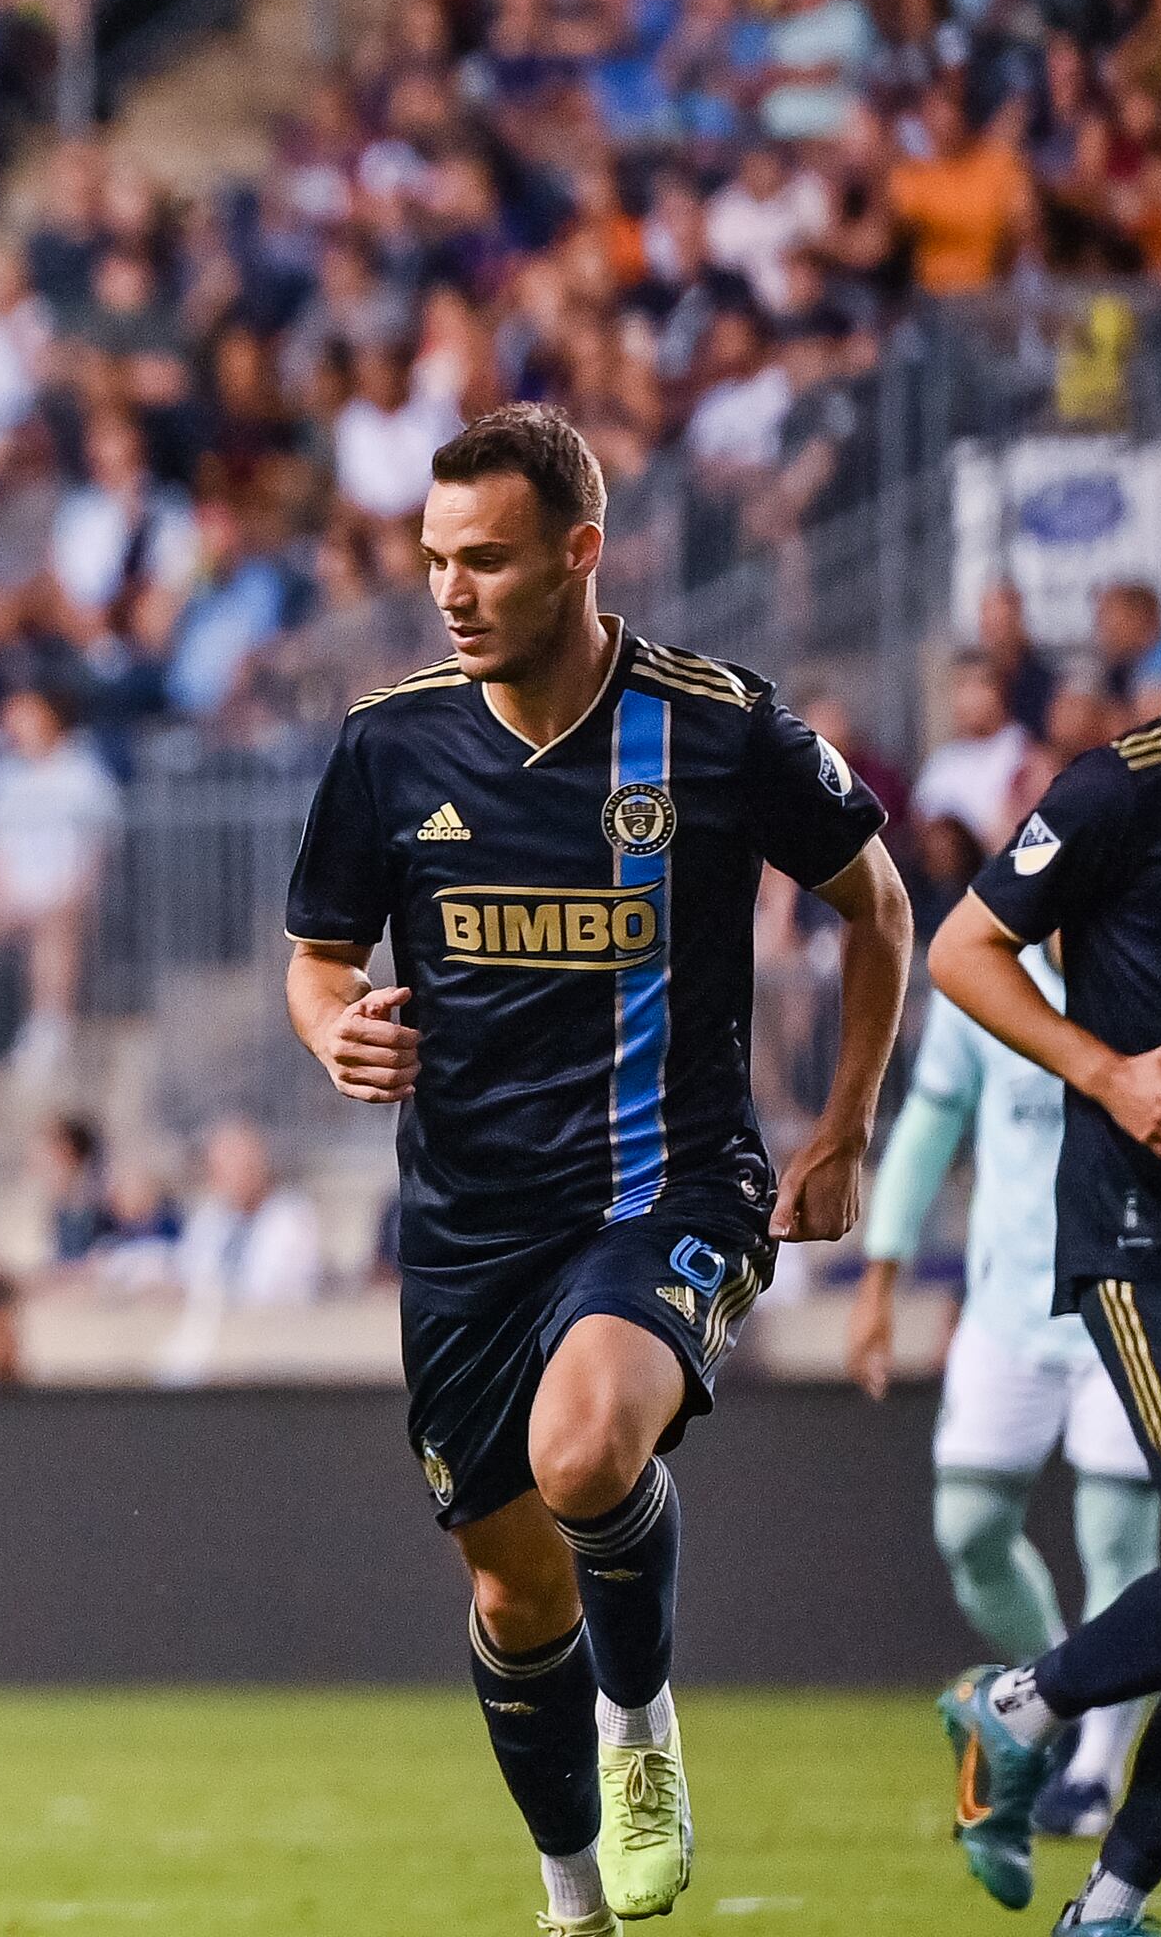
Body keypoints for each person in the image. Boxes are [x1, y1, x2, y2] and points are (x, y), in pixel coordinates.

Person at [284, 403, 907, 1934]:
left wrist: (846, 1128)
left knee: (583, 1456)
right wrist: (332, 1036)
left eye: (486, 561)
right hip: (467, 1227)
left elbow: (880, 906)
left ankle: (643, 1731)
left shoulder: (715, 724)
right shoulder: (389, 745)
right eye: (434, 561)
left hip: (664, 1188)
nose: (450, 591)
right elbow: (315, 961)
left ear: (580, 554)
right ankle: (571, 1902)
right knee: (512, 1590)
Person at [927, 699, 1161, 1934]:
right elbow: (962, 949)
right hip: (1155, 1244)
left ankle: (1107, 1907)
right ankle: (1023, 1709)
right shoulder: (1131, 787)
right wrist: (1107, 1073)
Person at [848, 943, 1158, 1839]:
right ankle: (1055, 1691)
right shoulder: (986, 978)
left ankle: (1096, 1773)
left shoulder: (1153, 966)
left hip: (1126, 1303)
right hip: (1006, 1308)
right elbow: (928, 1128)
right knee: (970, 1532)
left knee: (1116, 1538)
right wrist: (880, 1281)